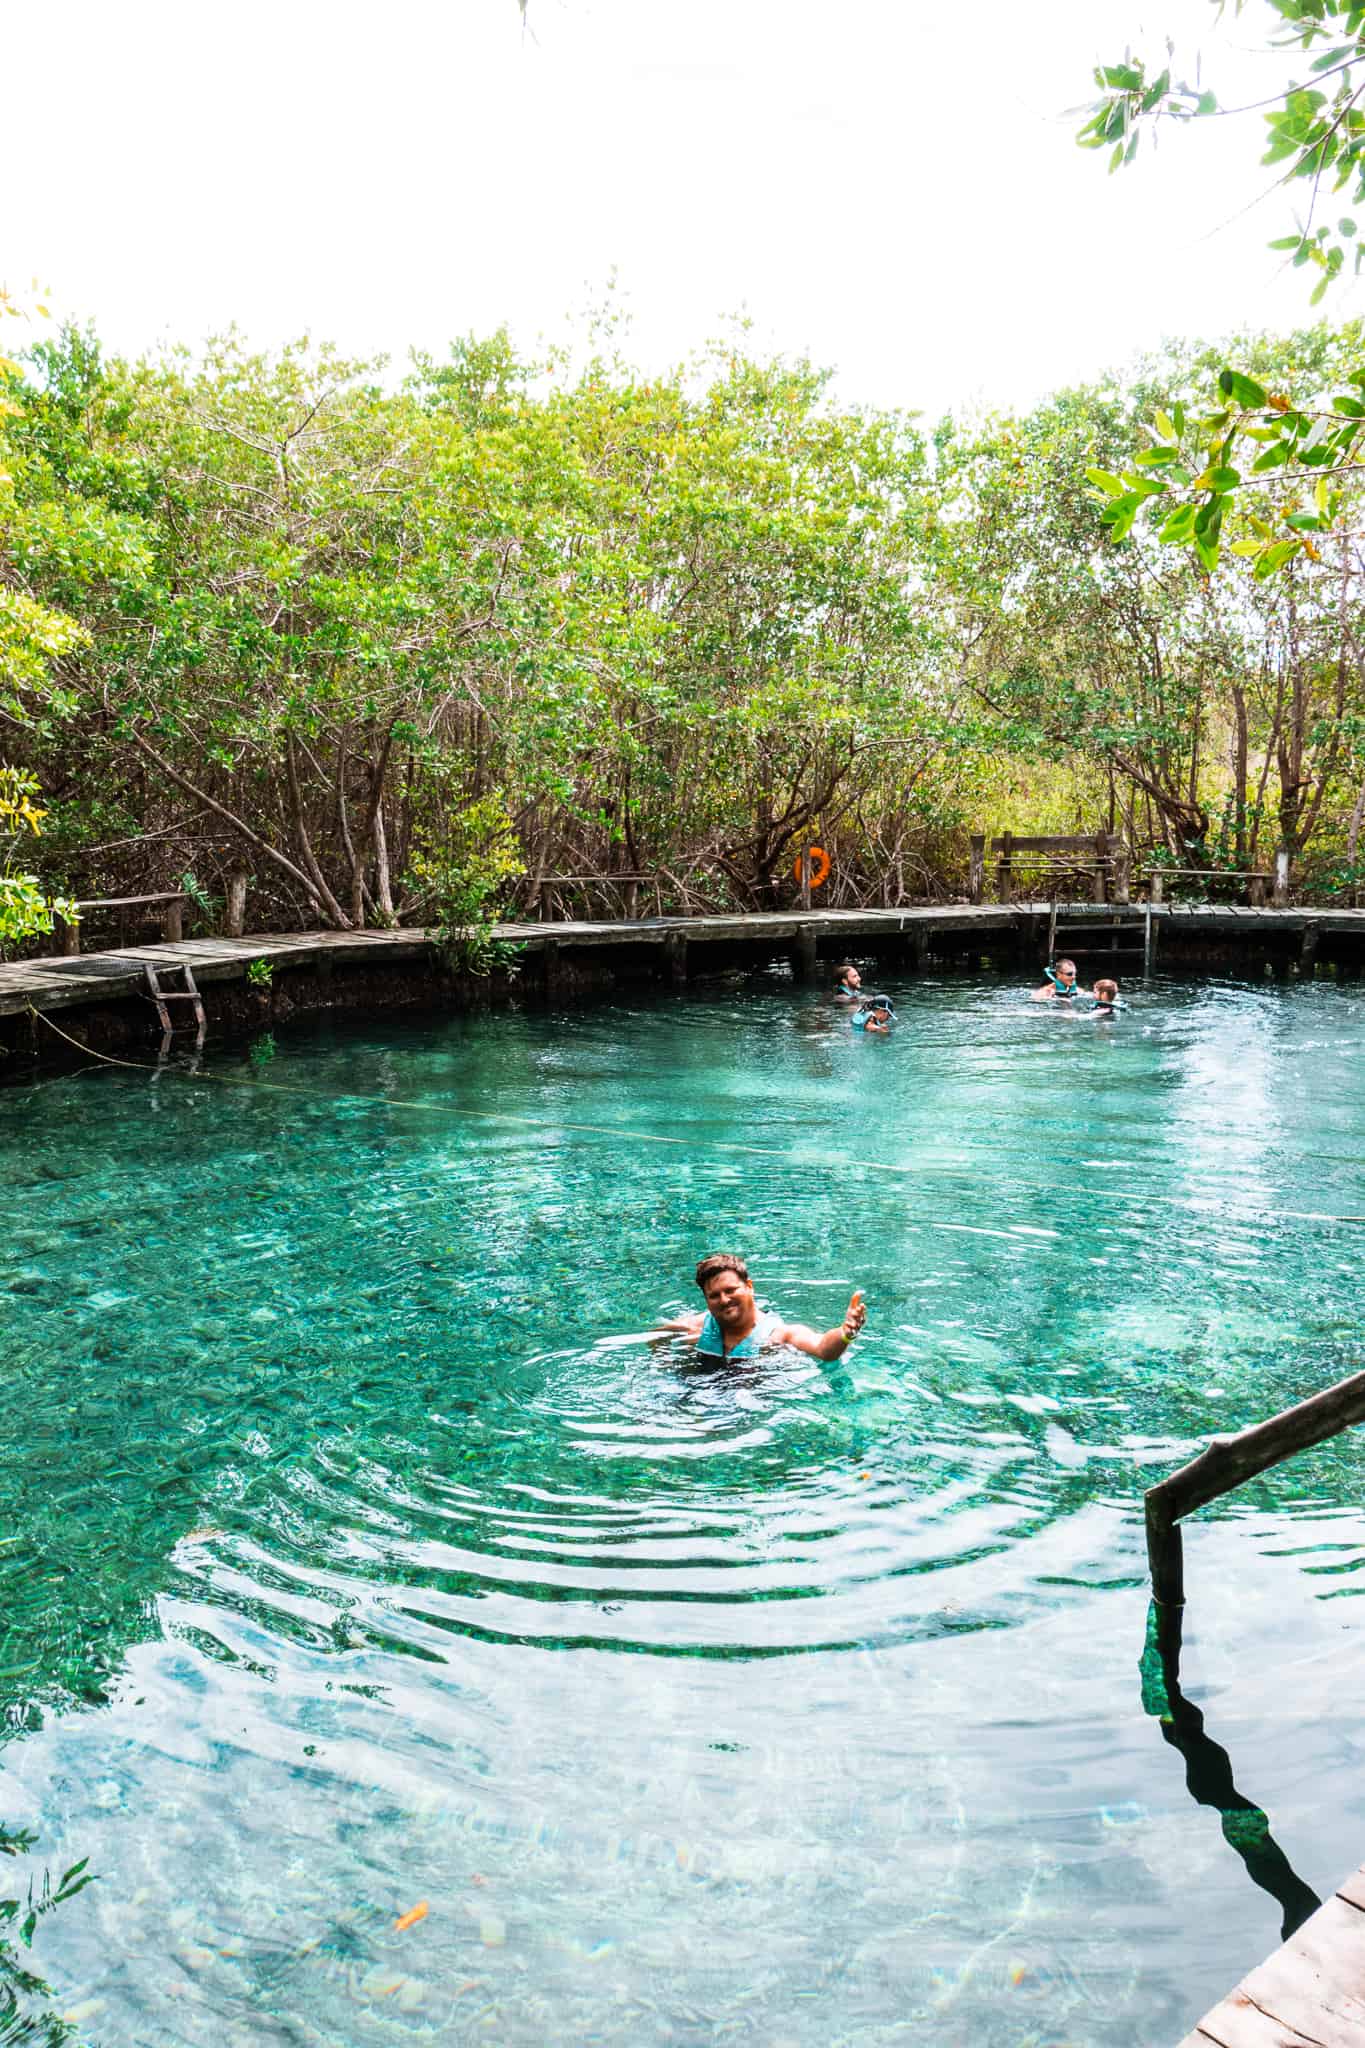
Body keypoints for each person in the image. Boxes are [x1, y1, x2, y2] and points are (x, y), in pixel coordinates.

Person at [653, 1253, 866, 1364]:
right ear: (706, 1298)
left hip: (753, 1400)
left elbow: (822, 1348)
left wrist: (845, 1333)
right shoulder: (695, 1327)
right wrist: (669, 1365)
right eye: (714, 1295)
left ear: (749, 1287)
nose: (724, 1300)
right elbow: (655, 1339)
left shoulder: (780, 1335)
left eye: (731, 1290)